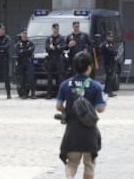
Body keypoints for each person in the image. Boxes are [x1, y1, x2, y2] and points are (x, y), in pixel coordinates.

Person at [56, 51, 106, 179]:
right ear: (89, 67)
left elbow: (58, 106)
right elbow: (100, 109)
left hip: (72, 131)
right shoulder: (96, 86)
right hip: (89, 132)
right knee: (89, 164)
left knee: (72, 163)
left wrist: (66, 110)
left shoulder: (65, 85)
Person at [45, 23, 67, 99]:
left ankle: (61, 94)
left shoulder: (61, 38)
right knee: (50, 76)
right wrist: (50, 48)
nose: (56, 30)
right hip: (51, 58)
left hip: (59, 58)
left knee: (60, 76)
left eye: (57, 28)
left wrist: (55, 48)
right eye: (54, 28)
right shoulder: (49, 38)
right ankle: (49, 94)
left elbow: (63, 47)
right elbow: (46, 48)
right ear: (52, 29)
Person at [14, 29, 37, 99]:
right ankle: (24, 94)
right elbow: (18, 52)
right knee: (22, 79)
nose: (24, 36)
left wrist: (23, 51)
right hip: (21, 63)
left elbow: (31, 50)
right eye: (23, 35)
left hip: (28, 62)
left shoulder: (31, 43)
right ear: (21, 36)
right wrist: (25, 51)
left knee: (30, 78)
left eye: (26, 35)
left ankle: (33, 94)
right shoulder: (18, 44)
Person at [101, 31, 117, 98]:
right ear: (107, 37)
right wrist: (113, 52)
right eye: (110, 36)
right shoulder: (105, 44)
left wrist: (114, 52)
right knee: (109, 78)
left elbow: (115, 51)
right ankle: (108, 91)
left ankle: (107, 90)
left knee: (110, 77)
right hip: (107, 63)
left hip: (111, 62)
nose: (111, 38)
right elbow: (110, 51)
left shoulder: (111, 44)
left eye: (112, 36)